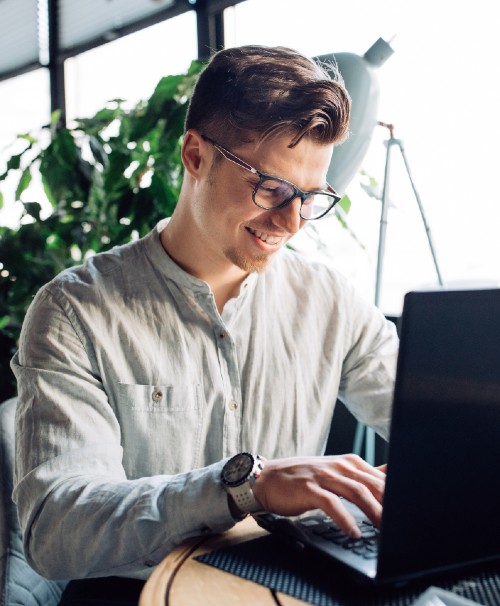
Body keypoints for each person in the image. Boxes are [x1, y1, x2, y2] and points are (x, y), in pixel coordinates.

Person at [11, 45, 398, 605]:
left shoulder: (330, 298)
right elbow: (58, 529)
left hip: (288, 589)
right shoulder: (75, 312)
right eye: (271, 188)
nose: (291, 222)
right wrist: (247, 486)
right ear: (195, 155)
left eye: (310, 198)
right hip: (135, 595)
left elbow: (429, 426)